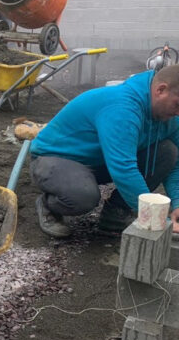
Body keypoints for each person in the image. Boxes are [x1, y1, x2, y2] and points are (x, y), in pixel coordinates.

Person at [30, 65, 179, 238]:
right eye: (178, 104)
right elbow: (123, 168)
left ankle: (114, 214)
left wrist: (177, 203)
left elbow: (176, 163)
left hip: (100, 161)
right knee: (84, 196)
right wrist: (155, 218)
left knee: (168, 151)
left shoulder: (169, 116)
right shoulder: (123, 109)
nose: (178, 113)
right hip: (54, 159)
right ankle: (48, 205)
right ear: (161, 90)